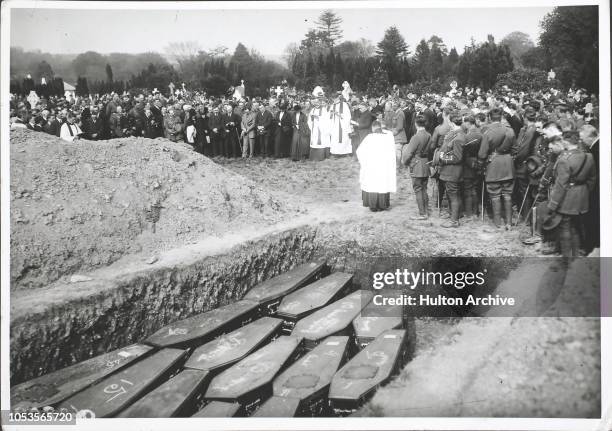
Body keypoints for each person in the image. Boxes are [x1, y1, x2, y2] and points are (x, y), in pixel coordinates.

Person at [543, 131, 596, 256]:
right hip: (582, 197)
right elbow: (592, 179)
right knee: (577, 227)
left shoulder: (564, 160)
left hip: (567, 198)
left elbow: (560, 185)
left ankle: (567, 258)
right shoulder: (589, 156)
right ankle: (577, 254)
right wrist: (584, 191)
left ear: (566, 142)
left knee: (565, 227)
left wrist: (553, 205)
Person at [478, 108, 516, 228]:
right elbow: (515, 149)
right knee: (508, 194)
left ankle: (498, 223)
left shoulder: (487, 132)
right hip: (508, 165)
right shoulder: (510, 131)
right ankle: (509, 223)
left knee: (495, 194)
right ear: (501, 117)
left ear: (489, 117)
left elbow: (482, 154)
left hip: (493, 165)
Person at [356, 121, 396, 211]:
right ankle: (382, 205)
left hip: (372, 166)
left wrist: (364, 162)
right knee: (382, 184)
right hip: (384, 167)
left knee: (373, 184)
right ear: (380, 128)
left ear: (373, 128)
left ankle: (373, 205)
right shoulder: (388, 138)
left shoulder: (369, 138)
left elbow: (359, 151)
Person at [436, 112, 466, 228]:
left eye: (449, 121)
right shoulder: (457, 134)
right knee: (453, 194)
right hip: (450, 171)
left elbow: (458, 158)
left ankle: (454, 221)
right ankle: (454, 214)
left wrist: (442, 158)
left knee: (453, 195)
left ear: (452, 123)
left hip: (452, 171)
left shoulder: (458, 137)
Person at [401, 114, 431, 219]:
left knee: (418, 188)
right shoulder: (429, 135)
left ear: (415, 124)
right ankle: (426, 210)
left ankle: (422, 213)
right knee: (424, 188)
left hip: (417, 165)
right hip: (426, 163)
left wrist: (405, 162)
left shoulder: (416, 137)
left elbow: (408, 153)